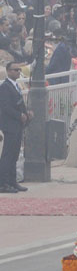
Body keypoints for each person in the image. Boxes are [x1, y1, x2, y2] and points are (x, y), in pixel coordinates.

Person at [0, 62, 30, 193]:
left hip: (17, 125)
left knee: (15, 154)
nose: (18, 72)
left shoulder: (16, 86)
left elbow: (19, 103)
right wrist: (19, 115)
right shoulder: (5, 87)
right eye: (15, 70)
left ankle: (13, 181)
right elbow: (6, 107)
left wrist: (26, 113)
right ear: (8, 71)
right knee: (8, 154)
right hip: (10, 125)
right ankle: (3, 183)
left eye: (19, 70)